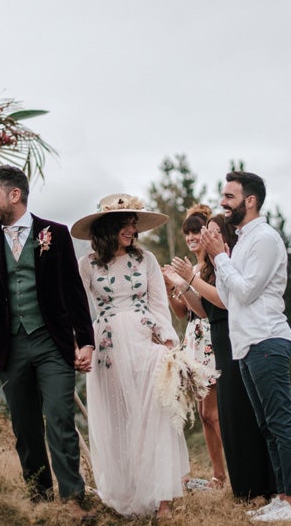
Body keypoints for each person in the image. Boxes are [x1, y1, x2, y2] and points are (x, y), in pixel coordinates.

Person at [0, 165, 95, 512]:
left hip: (52, 343)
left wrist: (86, 340)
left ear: (14, 195)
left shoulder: (55, 233)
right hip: (10, 347)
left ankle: (72, 499)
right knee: (25, 429)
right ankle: (39, 501)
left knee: (59, 419)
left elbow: (73, 291)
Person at [200, 171, 291, 523]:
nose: (222, 202)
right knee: (266, 426)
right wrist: (222, 258)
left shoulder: (264, 238)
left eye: (229, 196)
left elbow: (246, 290)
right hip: (246, 344)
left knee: (280, 422)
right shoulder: (243, 241)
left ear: (250, 200)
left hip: (267, 338)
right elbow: (231, 300)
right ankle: (282, 497)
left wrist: (219, 257)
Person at [72, 193, 190, 518]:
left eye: (134, 221)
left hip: (144, 341)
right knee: (120, 419)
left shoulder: (146, 259)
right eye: (125, 222)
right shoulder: (86, 264)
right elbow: (79, 311)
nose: (132, 227)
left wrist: (168, 341)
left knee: (157, 412)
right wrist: (79, 345)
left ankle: (162, 499)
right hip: (107, 347)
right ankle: (129, 494)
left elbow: (158, 304)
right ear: (109, 226)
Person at [165, 213, 275, 500]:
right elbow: (196, 311)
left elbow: (223, 301)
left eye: (206, 232)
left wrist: (189, 279)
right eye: (196, 233)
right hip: (208, 335)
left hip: (227, 337)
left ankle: (247, 477)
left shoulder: (226, 264)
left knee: (228, 413)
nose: (199, 238)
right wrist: (179, 284)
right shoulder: (206, 268)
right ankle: (230, 478)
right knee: (215, 413)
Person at [161, 204, 226, 491]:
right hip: (195, 339)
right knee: (203, 414)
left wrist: (185, 280)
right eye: (187, 233)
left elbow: (206, 309)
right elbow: (181, 312)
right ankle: (217, 476)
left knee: (213, 412)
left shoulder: (210, 267)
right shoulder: (195, 268)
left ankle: (234, 471)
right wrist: (167, 287)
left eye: (196, 231)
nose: (190, 238)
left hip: (212, 337)